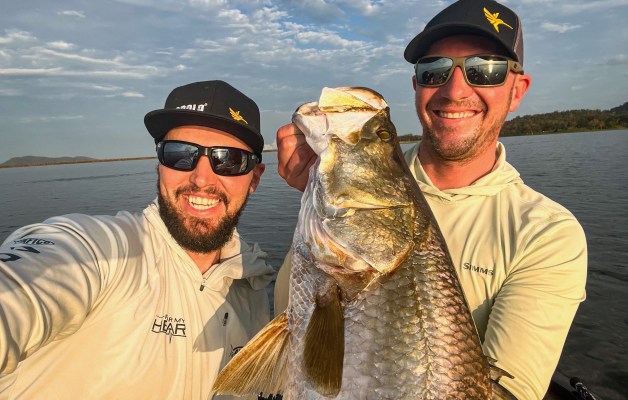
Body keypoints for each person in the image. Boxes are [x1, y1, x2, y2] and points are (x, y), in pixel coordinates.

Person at [274, 1, 587, 399]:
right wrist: (312, 196)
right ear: (417, 87)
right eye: (434, 70)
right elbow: (290, 318)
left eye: (485, 69)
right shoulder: (358, 187)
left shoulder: (547, 233)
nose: (455, 91)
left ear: (516, 91)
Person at [0, 80, 275, 399]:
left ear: (254, 177)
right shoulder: (103, 251)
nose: (201, 178)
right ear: (160, 165)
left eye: (229, 160)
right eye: (180, 154)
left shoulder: (253, 289)